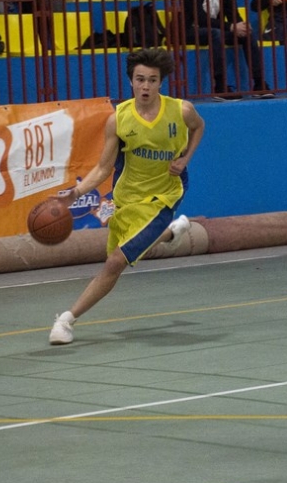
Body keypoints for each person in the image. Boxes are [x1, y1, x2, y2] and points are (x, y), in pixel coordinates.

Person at [49, 48, 205, 345]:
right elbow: (103, 167)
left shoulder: (181, 111)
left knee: (115, 262)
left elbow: (199, 127)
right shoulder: (119, 119)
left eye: (152, 80)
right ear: (130, 81)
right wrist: (75, 193)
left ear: (161, 83)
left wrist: (186, 158)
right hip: (128, 198)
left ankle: (66, 320)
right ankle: (171, 234)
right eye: (140, 79)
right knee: (120, 256)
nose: (145, 86)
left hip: (164, 196)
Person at [182, 0, 274, 101]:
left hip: (216, 29)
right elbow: (200, 19)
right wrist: (231, 26)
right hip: (190, 30)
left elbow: (233, 14)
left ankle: (259, 83)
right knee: (216, 34)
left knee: (247, 34)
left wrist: (242, 26)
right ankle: (220, 87)